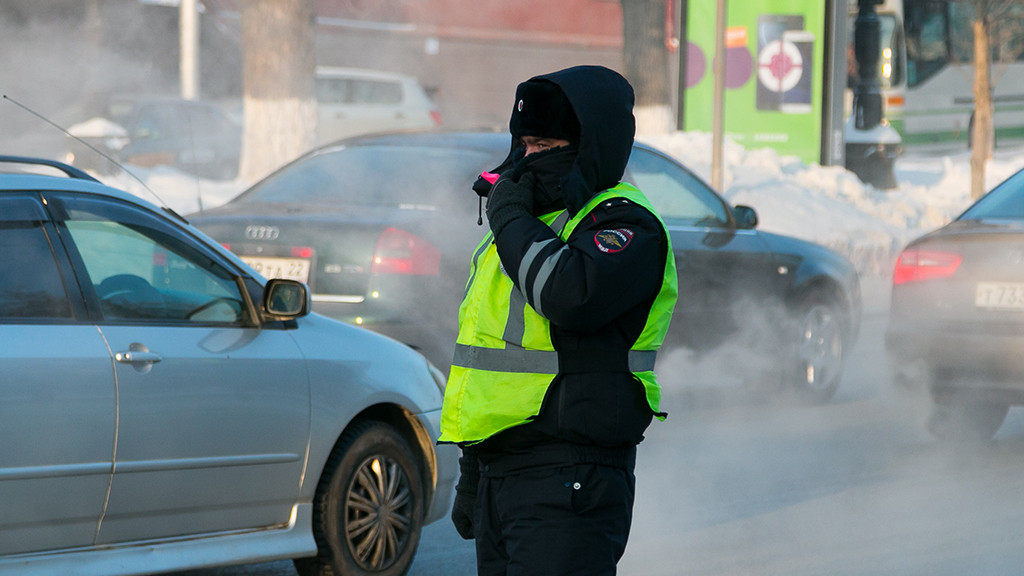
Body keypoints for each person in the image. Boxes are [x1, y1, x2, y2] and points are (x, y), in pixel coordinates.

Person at [438, 65, 678, 576]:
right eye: (524, 143)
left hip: (571, 477)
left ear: (591, 144)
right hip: (505, 476)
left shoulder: (623, 223)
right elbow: (488, 367)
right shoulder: (529, 222)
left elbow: (569, 295)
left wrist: (509, 219)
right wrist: (474, 472)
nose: (529, 159)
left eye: (546, 144)